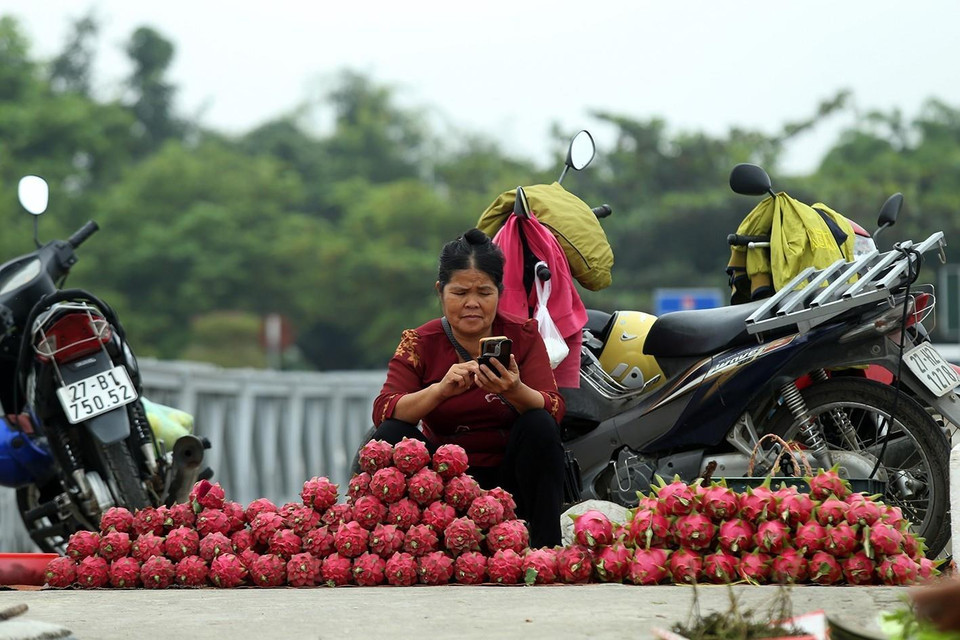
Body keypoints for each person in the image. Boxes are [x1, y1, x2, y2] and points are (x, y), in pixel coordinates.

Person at [372, 228, 567, 547]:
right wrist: (440, 390)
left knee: (539, 423)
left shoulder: (525, 335)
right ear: (440, 291)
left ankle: (545, 548)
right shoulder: (419, 342)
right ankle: (396, 545)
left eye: (484, 293)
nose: (472, 304)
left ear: (500, 292)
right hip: (439, 482)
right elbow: (383, 410)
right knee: (391, 434)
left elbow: (556, 408)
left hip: (511, 476)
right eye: (460, 293)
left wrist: (514, 389)